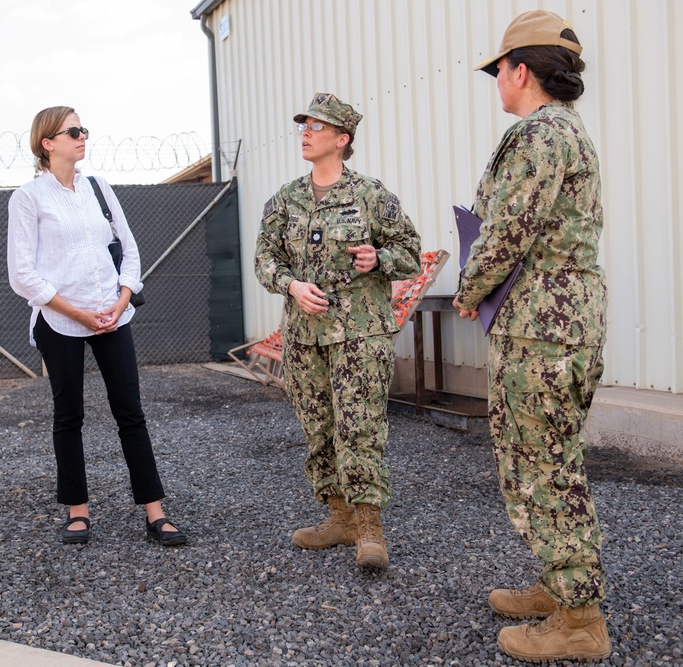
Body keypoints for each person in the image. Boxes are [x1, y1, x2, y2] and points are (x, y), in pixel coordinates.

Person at [453, 10, 610, 663]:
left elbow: (503, 235)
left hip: (543, 328)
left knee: (546, 465)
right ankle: (558, 583)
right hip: (550, 321)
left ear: (522, 70)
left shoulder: (541, 136)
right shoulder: (562, 133)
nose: (497, 82)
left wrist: (467, 290)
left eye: (500, 70)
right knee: (542, 455)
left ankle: (579, 621)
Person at [255, 93, 421, 570]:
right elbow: (264, 260)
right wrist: (291, 285)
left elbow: (409, 252)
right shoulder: (286, 199)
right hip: (304, 336)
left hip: (360, 336)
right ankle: (338, 516)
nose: (305, 132)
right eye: (303, 125)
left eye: (316, 126)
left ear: (342, 139)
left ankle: (370, 528)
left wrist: (379, 258)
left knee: (360, 428)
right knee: (319, 428)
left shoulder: (371, 195)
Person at [7, 105, 186, 547]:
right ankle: (77, 511)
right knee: (69, 414)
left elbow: (129, 251)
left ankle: (155, 512)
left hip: (113, 314)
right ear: (48, 143)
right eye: (73, 131)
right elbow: (21, 273)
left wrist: (122, 299)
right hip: (60, 320)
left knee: (131, 413)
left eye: (83, 129)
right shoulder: (29, 198)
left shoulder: (99, 188)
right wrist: (78, 313)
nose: (83, 136)